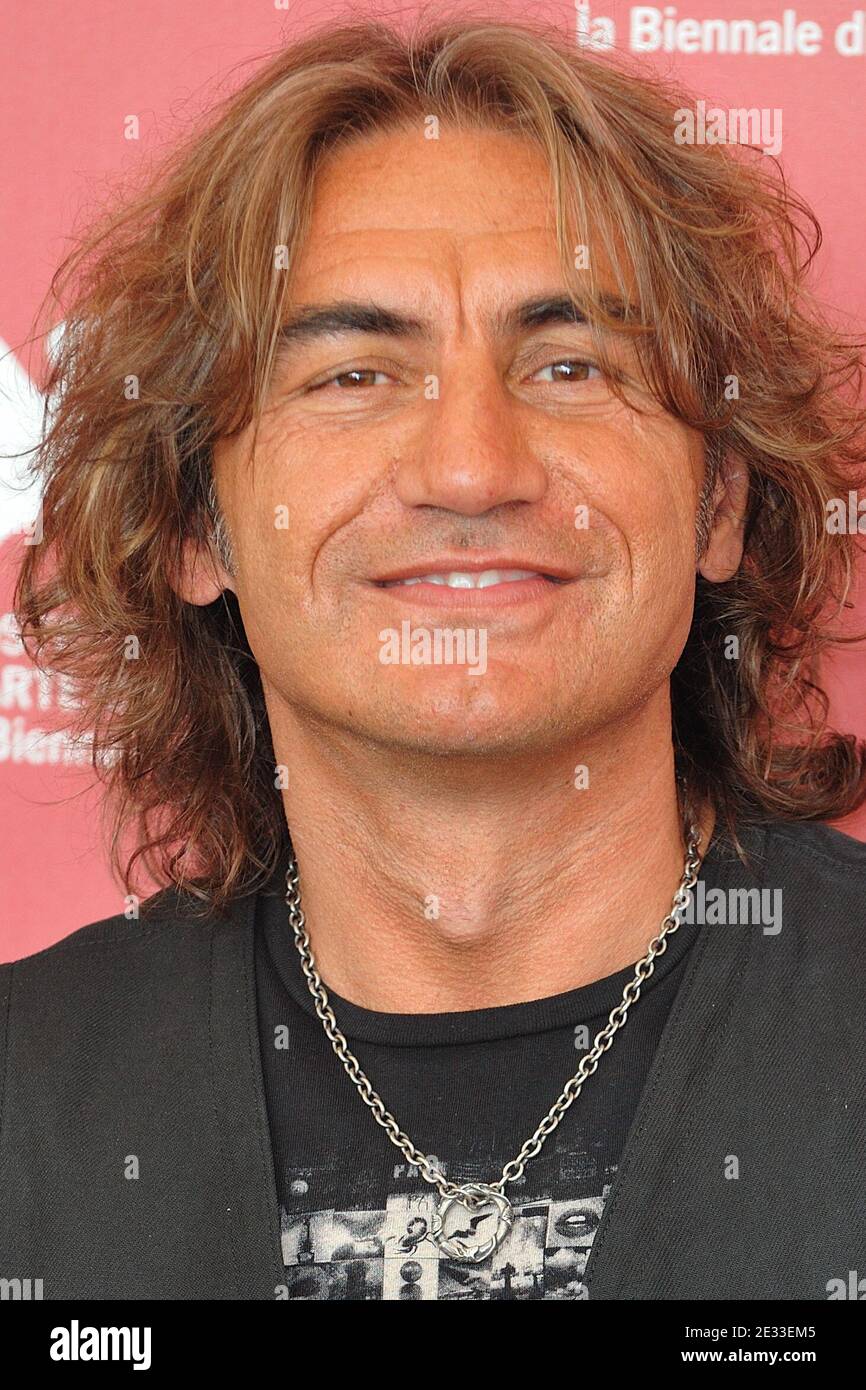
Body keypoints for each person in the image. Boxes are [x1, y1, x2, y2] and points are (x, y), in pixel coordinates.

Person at [2, 14, 866, 1302]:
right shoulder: (29, 1100)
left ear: (719, 504)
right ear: (196, 526)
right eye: (354, 376)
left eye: (571, 364)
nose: (471, 465)